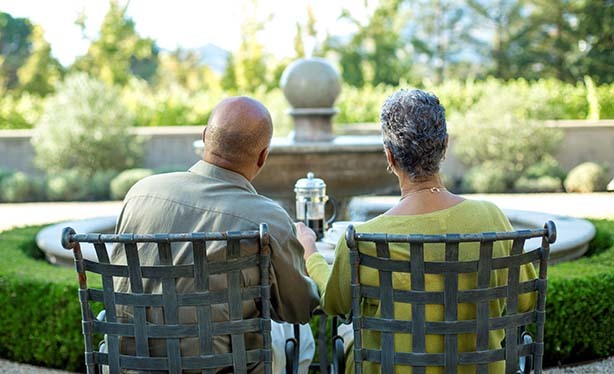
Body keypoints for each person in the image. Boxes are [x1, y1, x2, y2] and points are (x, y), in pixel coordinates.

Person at [297, 89, 537, 373]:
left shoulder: (362, 239)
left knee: (348, 337)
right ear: (445, 147)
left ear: (390, 156)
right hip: (482, 369)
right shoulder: (491, 217)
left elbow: (335, 303)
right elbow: (526, 298)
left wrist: (310, 253)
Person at [112, 96, 320, 373]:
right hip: (227, 368)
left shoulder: (140, 192)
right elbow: (298, 309)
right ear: (263, 156)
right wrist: (309, 254)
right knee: (299, 337)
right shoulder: (267, 220)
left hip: (134, 364)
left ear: (205, 137)